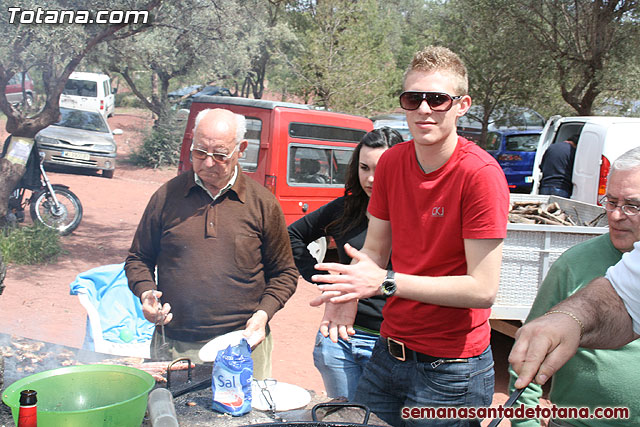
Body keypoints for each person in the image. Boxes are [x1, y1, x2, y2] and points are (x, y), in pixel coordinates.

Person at [310, 46, 510, 426]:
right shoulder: (393, 163)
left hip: (452, 370)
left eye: (437, 99)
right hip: (388, 354)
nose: (423, 109)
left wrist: (384, 283)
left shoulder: (480, 175)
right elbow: (375, 249)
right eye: (412, 98)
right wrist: (348, 291)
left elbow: (482, 289)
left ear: (462, 105)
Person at [125, 108, 298, 379]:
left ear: (241, 149)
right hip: (175, 347)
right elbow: (138, 258)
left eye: (219, 155)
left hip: (243, 347)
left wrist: (264, 314)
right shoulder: (167, 196)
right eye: (199, 153)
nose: (207, 163)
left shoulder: (263, 203)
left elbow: (285, 273)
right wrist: (146, 293)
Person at [508, 146, 640, 426]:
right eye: (611, 202)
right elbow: (527, 353)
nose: (616, 215)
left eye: (632, 205)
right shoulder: (573, 263)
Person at [288, 127, 404, 401]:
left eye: (382, 168)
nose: (372, 178)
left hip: (391, 345)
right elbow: (292, 235)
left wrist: (381, 284)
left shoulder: (415, 215)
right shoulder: (345, 209)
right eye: (364, 167)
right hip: (338, 342)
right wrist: (327, 280)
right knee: (345, 418)